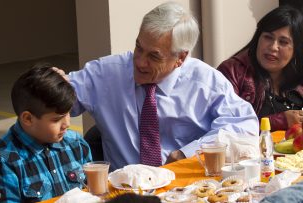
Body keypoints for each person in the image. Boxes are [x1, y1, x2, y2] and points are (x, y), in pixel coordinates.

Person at [64, 2, 258, 171]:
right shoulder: (107, 73)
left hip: (185, 188)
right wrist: (48, 82)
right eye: (138, 48)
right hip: (125, 192)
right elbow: (54, 99)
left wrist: (188, 153)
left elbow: (244, 125)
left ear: (180, 58)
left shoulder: (205, 82)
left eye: (153, 56)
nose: (140, 62)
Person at [0, 64, 92, 203]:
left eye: (68, 113)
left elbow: (93, 191)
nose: (67, 124)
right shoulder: (6, 160)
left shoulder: (76, 143)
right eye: (57, 119)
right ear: (28, 118)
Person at [217, 6, 303, 131]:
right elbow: (225, 128)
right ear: (258, 38)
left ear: (296, 49)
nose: (273, 47)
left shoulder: (298, 75)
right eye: (268, 37)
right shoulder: (232, 72)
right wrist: (278, 121)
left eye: (283, 42)